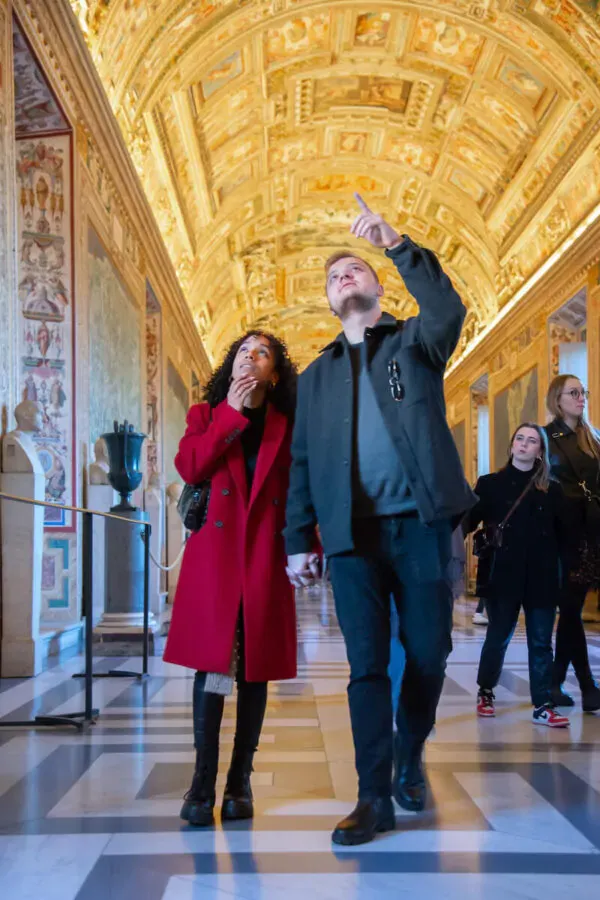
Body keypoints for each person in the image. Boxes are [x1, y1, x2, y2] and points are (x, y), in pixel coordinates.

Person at [285, 193, 476, 846]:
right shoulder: (313, 379)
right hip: (351, 543)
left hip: (420, 527)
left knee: (430, 651)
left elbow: (450, 308)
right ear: (329, 301)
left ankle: (409, 750)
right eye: (334, 277)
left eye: (355, 270)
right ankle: (373, 797)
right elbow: (302, 464)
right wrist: (295, 541)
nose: (345, 277)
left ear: (374, 284)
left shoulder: (417, 342)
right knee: (365, 666)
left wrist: (395, 243)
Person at [163, 331, 300, 827]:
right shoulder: (207, 415)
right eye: (243, 350)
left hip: (265, 553)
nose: (251, 356)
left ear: (275, 373)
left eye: (262, 353)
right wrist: (231, 415)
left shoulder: (289, 424)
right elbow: (190, 464)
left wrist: (309, 547)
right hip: (217, 557)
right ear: (232, 364)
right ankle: (202, 783)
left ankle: (239, 780)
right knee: (211, 666)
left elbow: (302, 489)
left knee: (255, 668)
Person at [463, 423, 569, 727]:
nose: (524, 444)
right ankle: (486, 690)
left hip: (542, 576)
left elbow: (565, 537)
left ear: (540, 451)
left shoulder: (552, 489)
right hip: (502, 574)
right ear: (511, 446)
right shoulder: (489, 484)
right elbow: (466, 522)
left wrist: (567, 575)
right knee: (498, 636)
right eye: (519, 439)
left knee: (540, 641)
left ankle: (543, 704)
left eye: (531, 441)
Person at [544, 374, 600, 712]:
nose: (581, 398)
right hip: (562, 533)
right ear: (557, 398)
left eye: (583, 392)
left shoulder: (592, 437)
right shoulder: (547, 436)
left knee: (571, 610)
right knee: (570, 609)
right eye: (574, 393)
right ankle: (585, 685)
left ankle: (556, 681)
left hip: (592, 533)